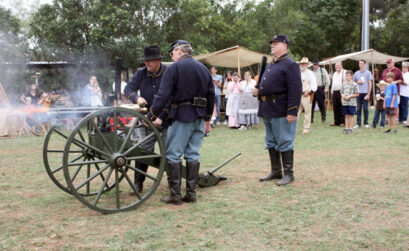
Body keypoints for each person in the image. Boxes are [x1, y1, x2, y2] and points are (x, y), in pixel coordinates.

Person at [148, 40, 215, 204]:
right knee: (193, 153)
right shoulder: (203, 69)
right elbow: (211, 95)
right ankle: (191, 194)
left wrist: (151, 114)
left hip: (182, 115)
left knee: (173, 154)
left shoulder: (174, 68)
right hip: (199, 117)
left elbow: (163, 95)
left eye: (172, 53)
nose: (172, 57)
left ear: (178, 51)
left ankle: (175, 195)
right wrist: (207, 119)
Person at [252, 34, 302, 186]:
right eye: (272, 43)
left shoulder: (290, 64)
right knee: (271, 141)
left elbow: (295, 89)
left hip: (281, 108)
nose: (272, 45)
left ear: (285, 46)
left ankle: (288, 173)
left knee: (284, 141)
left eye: (276, 43)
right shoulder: (271, 64)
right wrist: (259, 91)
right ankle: (276, 171)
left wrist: (292, 111)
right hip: (268, 108)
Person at [124, 45, 169, 193]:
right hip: (147, 122)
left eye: (149, 61)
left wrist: (161, 117)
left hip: (166, 119)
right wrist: (137, 98)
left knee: (169, 152)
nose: (146, 64)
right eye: (145, 61)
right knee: (143, 152)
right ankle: (138, 184)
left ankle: (172, 182)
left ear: (158, 60)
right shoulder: (141, 74)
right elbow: (128, 89)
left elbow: (173, 97)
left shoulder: (169, 73)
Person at [298, 57, 317, 135]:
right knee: (296, 112)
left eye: (304, 63)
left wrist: (309, 91)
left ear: (307, 65)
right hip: (298, 95)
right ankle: (293, 128)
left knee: (307, 112)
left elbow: (314, 85)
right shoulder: (297, 72)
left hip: (307, 95)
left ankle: (306, 129)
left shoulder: (310, 73)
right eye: (301, 63)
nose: (302, 65)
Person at [352, 60, 373, 129]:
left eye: (361, 63)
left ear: (365, 64)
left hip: (366, 93)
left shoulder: (368, 73)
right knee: (358, 108)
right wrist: (358, 82)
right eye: (359, 63)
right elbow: (353, 82)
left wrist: (369, 94)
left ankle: (366, 123)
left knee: (365, 108)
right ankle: (358, 123)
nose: (360, 65)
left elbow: (370, 83)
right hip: (358, 93)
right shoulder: (356, 73)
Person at [311, 59, 330, 123]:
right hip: (312, 89)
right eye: (314, 64)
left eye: (316, 64)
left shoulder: (323, 70)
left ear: (318, 65)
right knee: (311, 104)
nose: (315, 66)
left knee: (321, 104)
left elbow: (327, 79)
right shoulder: (311, 71)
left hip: (320, 88)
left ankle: (323, 118)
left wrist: (326, 87)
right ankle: (311, 119)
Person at [330, 62, 346, 126]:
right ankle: (336, 121)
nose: (337, 67)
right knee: (335, 107)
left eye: (338, 65)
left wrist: (344, 92)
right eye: (336, 66)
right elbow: (333, 83)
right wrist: (332, 91)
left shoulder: (344, 72)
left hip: (341, 91)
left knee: (341, 107)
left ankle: (343, 122)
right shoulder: (334, 73)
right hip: (335, 91)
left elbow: (346, 82)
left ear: (341, 65)